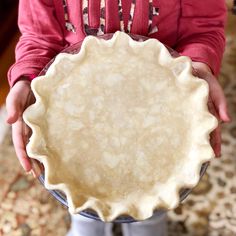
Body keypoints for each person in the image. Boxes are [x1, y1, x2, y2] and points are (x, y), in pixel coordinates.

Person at [6, 0, 230, 236]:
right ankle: (85, 218)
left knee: (156, 180)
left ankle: (149, 221)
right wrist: (27, 79)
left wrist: (199, 66)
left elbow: (202, 27)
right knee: (77, 175)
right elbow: (39, 36)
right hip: (73, 109)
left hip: (163, 109)